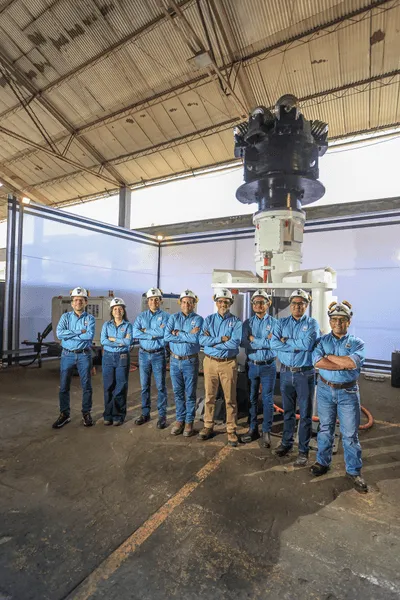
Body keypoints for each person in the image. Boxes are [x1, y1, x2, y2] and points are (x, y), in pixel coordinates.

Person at [310, 301, 367, 493]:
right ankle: (322, 462)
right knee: (325, 429)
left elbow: (352, 363)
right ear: (330, 321)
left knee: (350, 434)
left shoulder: (358, 343)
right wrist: (342, 362)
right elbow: (318, 362)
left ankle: (353, 471)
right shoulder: (322, 341)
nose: (338, 323)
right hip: (325, 390)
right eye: (334, 319)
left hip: (348, 392)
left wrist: (332, 358)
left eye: (342, 320)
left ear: (349, 322)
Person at [271, 289, 319, 466]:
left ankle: (303, 451)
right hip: (285, 373)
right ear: (290, 305)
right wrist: (290, 343)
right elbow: (273, 343)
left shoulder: (312, 324)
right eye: (294, 303)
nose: (297, 306)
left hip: (305, 374)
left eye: (301, 303)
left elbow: (307, 345)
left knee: (305, 414)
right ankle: (286, 443)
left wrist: (286, 342)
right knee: (289, 412)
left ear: (306, 305)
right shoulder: (281, 322)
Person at [198, 289, 242, 447]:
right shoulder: (208, 320)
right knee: (209, 396)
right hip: (209, 362)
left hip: (228, 363)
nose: (223, 304)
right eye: (220, 301)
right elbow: (202, 339)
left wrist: (213, 342)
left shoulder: (236, 322)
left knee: (230, 398)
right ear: (216, 302)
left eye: (226, 302)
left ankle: (231, 429)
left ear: (230, 303)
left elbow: (235, 342)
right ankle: (208, 425)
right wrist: (221, 339)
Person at [52, 287, 95, 429]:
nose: (78, 302)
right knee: (64, 386)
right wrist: (79, 331)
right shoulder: (65, 317)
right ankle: (64, 414)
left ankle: (86, 413)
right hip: (67, 354)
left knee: (86, 386)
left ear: (86, 302)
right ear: (72, 303)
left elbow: (89, 336)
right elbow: (59, 334)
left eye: (81, 300)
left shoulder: (90, 319)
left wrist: (70, 333)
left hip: (84, 354)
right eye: (75, 300)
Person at [164, 290, 204, 437]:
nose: (187, 304)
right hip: (174, 361)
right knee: (178, 392)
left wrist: (177, 333)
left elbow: (196, 339)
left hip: (190, 361)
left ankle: (189, 422)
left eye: (190, 302)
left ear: (194, 304)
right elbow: (167, 336)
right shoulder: (173, 318)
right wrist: (186, 334)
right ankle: (179, 420)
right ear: (180, 303)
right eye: (184, 302)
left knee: (190, 393)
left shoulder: (199, 320)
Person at [241, 289, 277, 447]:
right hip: (252, 365)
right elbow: (244, 342)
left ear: (268, 304)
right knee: (252, 399)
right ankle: (253, 428)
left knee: (268, 400)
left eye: (262, 302)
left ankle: (266, 432)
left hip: (268, 366)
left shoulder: (275, 323)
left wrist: (254, 338)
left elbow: (273, 343)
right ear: (252, 304)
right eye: (256, 302)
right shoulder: (247, 323)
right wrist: (263, 341)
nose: (259, 305)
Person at [132, 287, 169, 429]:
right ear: (147, 302)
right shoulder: (141, 317)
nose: (153, 302)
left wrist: (145, 331)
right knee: (144, 387)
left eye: (156, 299)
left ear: (160, 301)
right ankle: (145, 413)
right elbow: (135, 332)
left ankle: (162, 416)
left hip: (158, 354)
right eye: (151, 299)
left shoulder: (166, 317)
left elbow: (164, 333)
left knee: (160, 387)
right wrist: (154, 333)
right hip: (143, 354)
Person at [100, 297, 133, 426]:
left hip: (122, 357)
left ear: (123, 311)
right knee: (108, 386)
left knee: (121, 386)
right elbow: (103, 341)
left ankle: (118, 415)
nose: (117, 311)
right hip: (108, 357)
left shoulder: (128, 325)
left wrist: (113, 339)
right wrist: (120, 340)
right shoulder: (106, 325)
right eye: (115, 309)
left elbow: (129, 342)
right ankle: (108, 414)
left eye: (120, 309)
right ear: (112, 311)